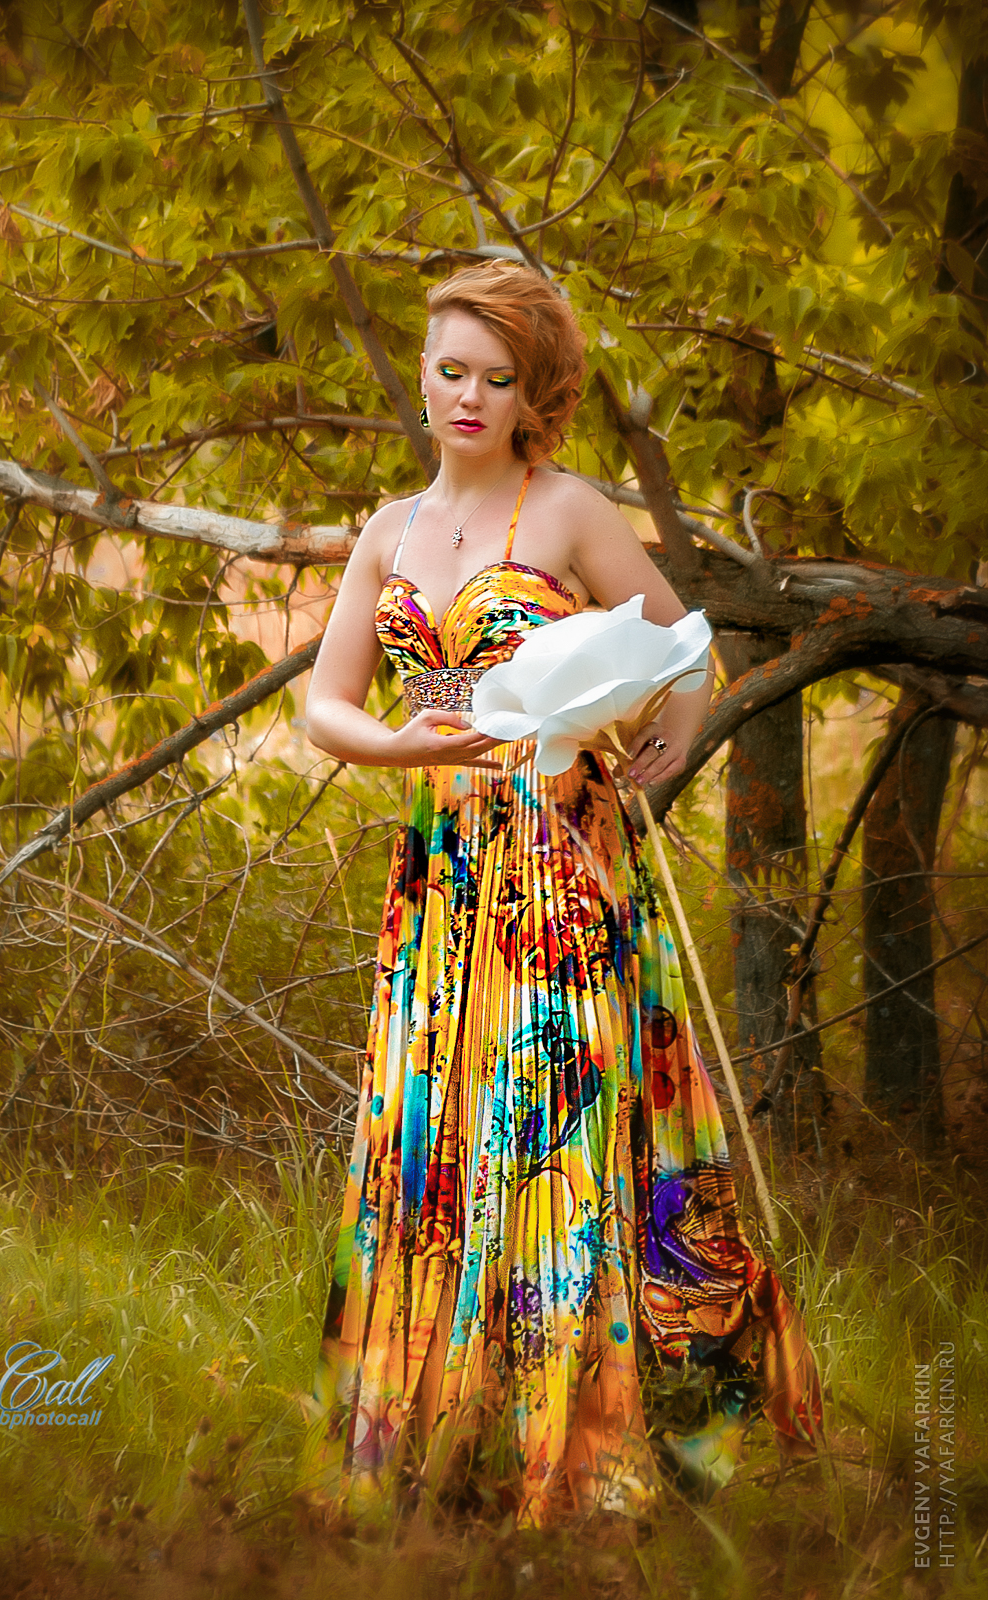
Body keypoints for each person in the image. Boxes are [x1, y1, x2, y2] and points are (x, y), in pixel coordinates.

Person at [304, 261, 821, 1527]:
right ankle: (441, 1439)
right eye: (449, 370)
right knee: (441, 1133)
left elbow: (683, 650)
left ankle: (586, 1445)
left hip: (560, 868)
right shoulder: (387, 532)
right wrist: (403, 748)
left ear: (531, 394)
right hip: (440, 874)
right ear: (422, 374)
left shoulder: (571, 510)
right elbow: (324, 704)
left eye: (497, 378)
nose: (468, 396)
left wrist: (666, 747)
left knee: (559, 1124)